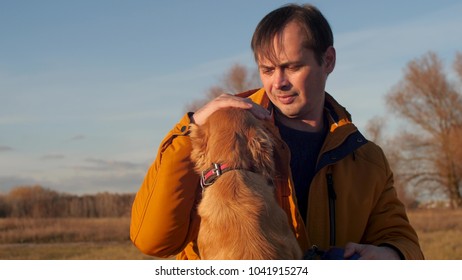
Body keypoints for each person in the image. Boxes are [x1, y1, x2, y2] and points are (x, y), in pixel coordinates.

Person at [130, 3, 424, 260]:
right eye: (267, 70)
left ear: (328, 61)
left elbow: (401, 238)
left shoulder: (367, 159)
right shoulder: (220, 136)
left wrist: (392, 255)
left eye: (292, 67)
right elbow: (152, 240)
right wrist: (190, 131)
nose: (278, 83)